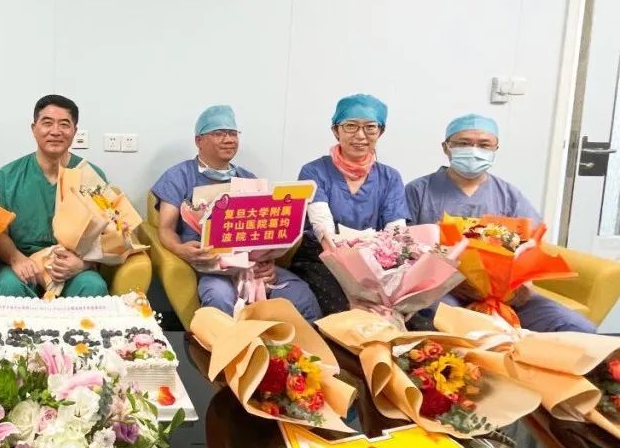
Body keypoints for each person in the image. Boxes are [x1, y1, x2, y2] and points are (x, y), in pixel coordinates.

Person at [406, 114, 596, 333]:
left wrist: (519, 286)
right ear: (446, 147)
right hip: (443, 291)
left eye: (484, 145)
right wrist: (451, 281)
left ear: (495, 148)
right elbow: (405, 249)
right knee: (446, 321)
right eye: (463, 143)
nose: (474, 150)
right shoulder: (418, 191)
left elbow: (530, 246)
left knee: (576, 326)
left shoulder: (508, 195)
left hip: (507, 294)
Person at [150, 105, 321, 320]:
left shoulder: (248, 178)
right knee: (219, 296)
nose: (229, 140)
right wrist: (181, 249)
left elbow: (263, 234)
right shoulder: (178, 176)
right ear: (199, 140)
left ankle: (299, 343)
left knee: (301, 295)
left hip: (251, 266)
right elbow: (165, 228)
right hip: (210, 267)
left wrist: (268, 263)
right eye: (219, 134)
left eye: (233, 133)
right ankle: (220, 343)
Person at [289, 93, 409, 316]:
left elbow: (396, 231)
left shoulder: (390, 177)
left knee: (401, 311)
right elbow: (323, 227)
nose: (360, 135)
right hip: (323, 258)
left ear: (380, 132)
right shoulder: (314, 171)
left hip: (375, 261)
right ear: (336, 131)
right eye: (350, 126)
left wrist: (391, 272)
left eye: (370, 127)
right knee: (346, 310)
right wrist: (354, 287)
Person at [0, 94, 109, 297]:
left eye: (64, 124)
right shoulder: (8, 176)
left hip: (72, 265)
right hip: (22, 262)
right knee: (8, 288)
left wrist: (83, 263)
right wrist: (16, 258)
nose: (55, 131)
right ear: (34, 128)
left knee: (93, 286)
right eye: (47, 123)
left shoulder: (90, 175)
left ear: (74, 131)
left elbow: (108, 233)